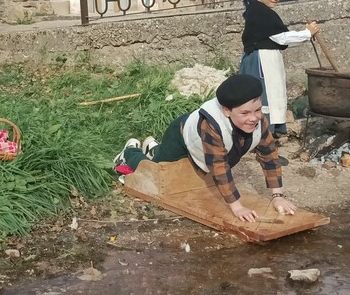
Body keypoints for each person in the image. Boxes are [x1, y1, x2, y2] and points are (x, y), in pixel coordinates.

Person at [114, 74, 299, 223]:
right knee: (158, 170)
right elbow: (219, 167)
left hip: (203, 147)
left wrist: (278, 195)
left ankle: (154, 147)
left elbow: (269, 156)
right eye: (245, 113)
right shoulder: (211, 126)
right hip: (180, 136)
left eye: (257, 110)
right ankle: (131, 152)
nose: (254, 118)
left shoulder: (258, 121)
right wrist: (237, 206)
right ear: (226, 111)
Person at [238, 0, 319, 141]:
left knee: (269, 93)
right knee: (264, 94)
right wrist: (306, 33)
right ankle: (261, 138)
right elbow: (281, 38)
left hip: (266, 59)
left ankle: (263, 136)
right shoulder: (261, 13)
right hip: (262, 61)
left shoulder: (259, 10)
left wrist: (306, 34)